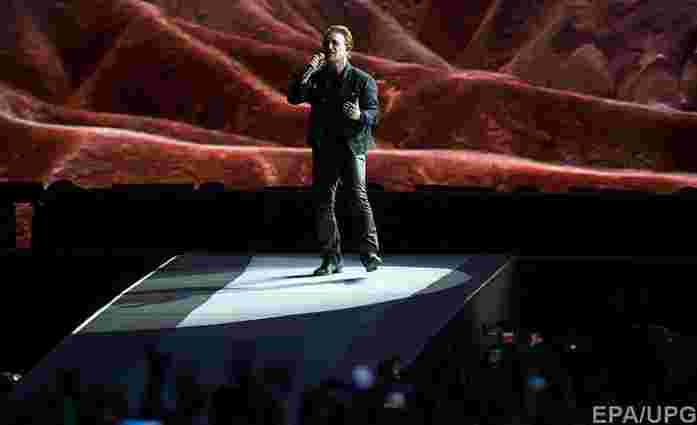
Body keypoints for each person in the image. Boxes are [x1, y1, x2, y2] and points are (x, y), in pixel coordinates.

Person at [287, 25, 383, 275]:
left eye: (335, 43)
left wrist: (359, 115)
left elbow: (374, 114)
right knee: (323, 202)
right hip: (325, 147)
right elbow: (294, 97)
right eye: (326, 43)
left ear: (347, 49)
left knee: (358, 197)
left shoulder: (363, 80)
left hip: (352, 146)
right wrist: (308, 70)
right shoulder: (318, 77)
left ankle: (370, 253)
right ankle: (331, 258)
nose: (329, 47)